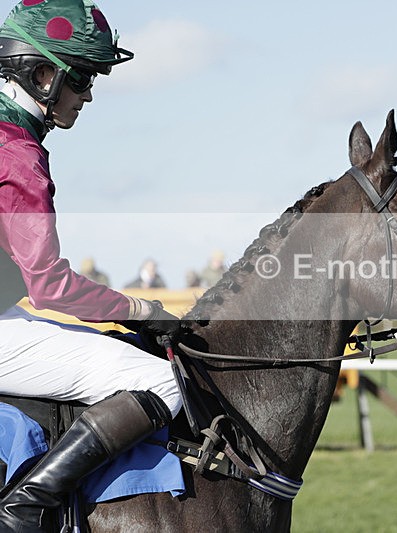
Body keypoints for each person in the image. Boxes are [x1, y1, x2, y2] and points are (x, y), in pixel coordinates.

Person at [0, 1, 182, 530]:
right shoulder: (16, 155)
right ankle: (25, 506)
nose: (88, 94)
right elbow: (51, 286)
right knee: (162, 381)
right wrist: (141, 309)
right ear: (41, 75)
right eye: (81, 78)